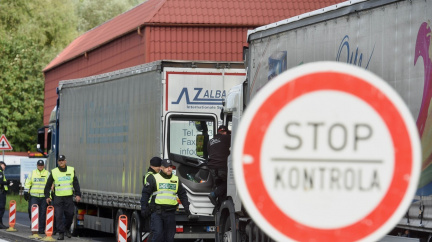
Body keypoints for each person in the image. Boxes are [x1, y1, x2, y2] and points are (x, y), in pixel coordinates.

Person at [140, 159, 190, 242]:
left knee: (169, 238)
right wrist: (143, 207)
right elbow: (145, 194)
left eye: (171, 167)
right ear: (161, 168)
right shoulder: (154, 178)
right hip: (157, 212)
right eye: (166, 167)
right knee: (158, 235)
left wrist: (187, 208)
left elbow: (182, 195)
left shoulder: (176, 180)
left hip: (170, 213)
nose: (169, 169)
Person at [44, 155, 81, 240]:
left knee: (70, 214)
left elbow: (76, 183)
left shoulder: (71, 170)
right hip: (58, 197)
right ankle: (61, 233)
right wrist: (47, 196)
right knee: (59, 215)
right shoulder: (54, 171)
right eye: (59, 160)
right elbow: (48, 185)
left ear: (65, 161)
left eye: (62, 160)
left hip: (68, 197)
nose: (61, 162)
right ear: (58, 162)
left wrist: (78, 194)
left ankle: (67, 228)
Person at [207, 125, 231, 206]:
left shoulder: (210, 141)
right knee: (229, 182)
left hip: (212, 167)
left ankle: (219, 207)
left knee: (220, 186)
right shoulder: (227, 138)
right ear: (225, 132)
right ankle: (213, 194)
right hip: (222, 166)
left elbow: (209, 152)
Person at [24, 159, 50, 234]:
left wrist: (49, 196)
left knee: (42, 213)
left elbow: (50, 186)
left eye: (42, 165)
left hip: (43, 196)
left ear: (44, 166)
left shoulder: (47, 174)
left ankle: (41, 229)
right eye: (39, 165)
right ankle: (34, 225)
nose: (40, 167)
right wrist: (26, 192)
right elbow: (28, 183)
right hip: (34, 196)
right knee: (31, 211)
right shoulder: (32, 173)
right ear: (37, 165)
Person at [0, 161, 12, 229]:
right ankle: (0, 224)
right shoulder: (0, 172)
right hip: (1, 193)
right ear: (1, 165)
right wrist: (7, 182)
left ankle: (1, 223)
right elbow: (1, 181)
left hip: (2, 192)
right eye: (4, 166)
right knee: (1, 208)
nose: (4, 167)